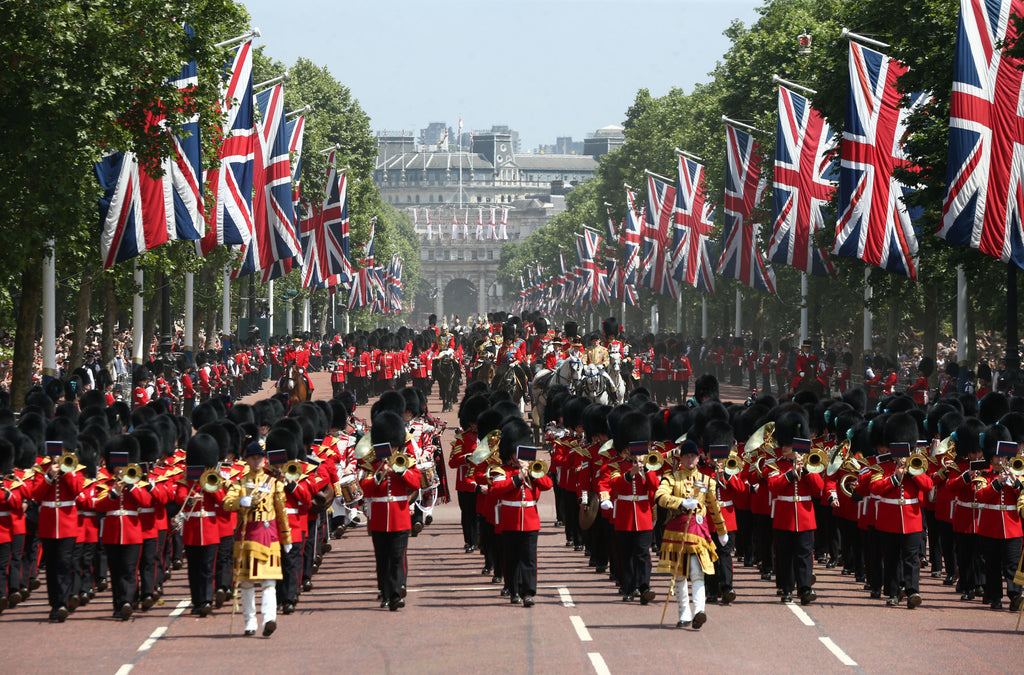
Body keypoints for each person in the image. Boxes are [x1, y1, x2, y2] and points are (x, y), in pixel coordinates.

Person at [222, 441, 293, 637]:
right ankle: (250, 620)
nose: (257, 461)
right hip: (247, 533)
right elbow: (226, 503)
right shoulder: (240, 484)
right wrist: (240, 501)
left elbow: (281, 512)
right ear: (247, 460)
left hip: (268, 534)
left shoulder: (274, 483)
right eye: (253, 458)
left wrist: (286, 537)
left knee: (269, 581)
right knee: (246, 583)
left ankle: (269, 619)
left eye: (260, 458)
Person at [656, 440, 727, 630]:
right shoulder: (671, 478)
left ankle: (699, 611)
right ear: (681, 458)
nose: (690, 459)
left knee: (697, 571)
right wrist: (681, 502)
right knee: (679, 574)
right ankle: (684, 613)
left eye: (693, 456)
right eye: (686, 456)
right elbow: (660, 497)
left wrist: (721, 530)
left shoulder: (707, 481)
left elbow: (714, 507)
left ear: (698, 458)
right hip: (677, 531)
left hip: (697, 531)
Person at [360, 411, 421, 611]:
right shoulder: (372, 464)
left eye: (393, 445)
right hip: (379, 518)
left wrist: (400, 471)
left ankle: (396, 593)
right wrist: (380, 473)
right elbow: (365, 487)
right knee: (382, 558)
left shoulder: (405, 461)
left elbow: (416, 482)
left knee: (397, 557)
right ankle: (385, 593)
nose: (391, 449)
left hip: (400, 517)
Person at [490, 418, 552, 607]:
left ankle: (528, 592)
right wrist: (517, 478)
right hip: (510, 520)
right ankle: (514, 591)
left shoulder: (534, 469)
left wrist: (532, 473)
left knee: (529, 558)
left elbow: (548, 485)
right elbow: (497, 489)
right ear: (511, 454)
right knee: (512, 558)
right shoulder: (502, 470)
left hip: (530, 520)